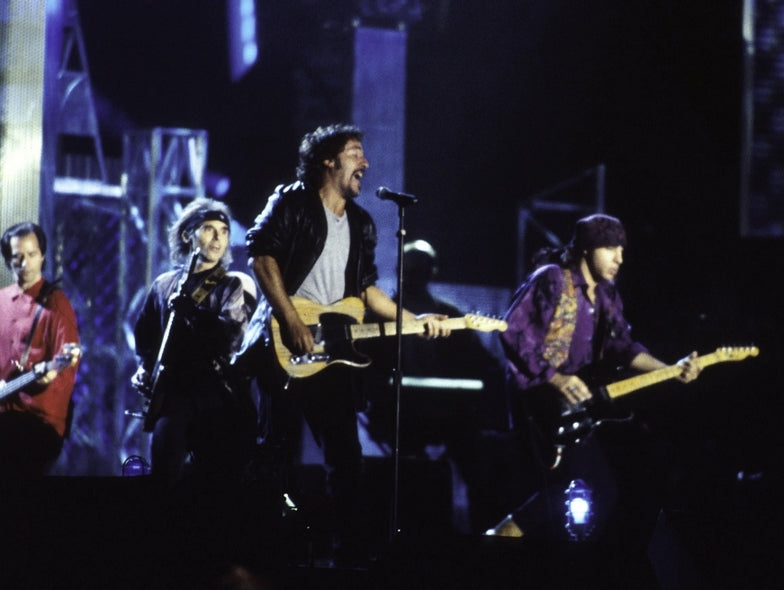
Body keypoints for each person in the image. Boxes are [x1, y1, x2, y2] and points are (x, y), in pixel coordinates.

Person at [237, 123, 450, 568]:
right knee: (277, 454)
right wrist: (291, 319)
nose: (365, 163)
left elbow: (367, 290)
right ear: (328, 161)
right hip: (283, 345)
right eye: (355, 153)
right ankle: (266, 553)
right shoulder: (292, 201)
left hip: (333, 352)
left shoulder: (362, 223)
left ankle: (345, 555)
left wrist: (414, 321)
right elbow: (261, 257)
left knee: (346, 459)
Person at [495, 213, 702, 586]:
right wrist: (555, 378)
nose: (619, 257)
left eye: (622, 249)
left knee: (595, 490)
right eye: (611, 248)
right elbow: (512, 330)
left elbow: (623, 347)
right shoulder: (553, 278)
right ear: (587, 248)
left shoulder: (605, 295)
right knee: (569, 488)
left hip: (573, 406)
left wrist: (670, 369)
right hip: (536, 399)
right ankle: (499, 547)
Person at [360, 239, 506, 534]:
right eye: (408, 270)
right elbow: (363, 366)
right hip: (399, 415)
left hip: (448, 415)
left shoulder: (451, 316)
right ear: (399, 270)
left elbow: (485, 362)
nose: (413, 276)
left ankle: (484, 541)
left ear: (432, 272)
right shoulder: (378, 317)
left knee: (478, 473)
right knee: (399, 481)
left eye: (420, 270)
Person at [131, 197, 257, 509]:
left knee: (214, 488)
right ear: (188, 235)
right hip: (172, 400)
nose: (218, 237)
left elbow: (232, 338)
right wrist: (144, 368)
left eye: (224, 231)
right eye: (209, 229)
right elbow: (144, 334)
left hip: (215, 400)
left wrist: (194, 314)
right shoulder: (164, 285)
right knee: (164, 482)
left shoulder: (233, 284)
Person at [0, 222, 81, 482]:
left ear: (43, 256)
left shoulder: (56, 303)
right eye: (17, 257)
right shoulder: (2, 300)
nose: (25, 263)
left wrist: (49, 375)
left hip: (36, 422)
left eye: (32, 255)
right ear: (7, 260)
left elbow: (64, 365)